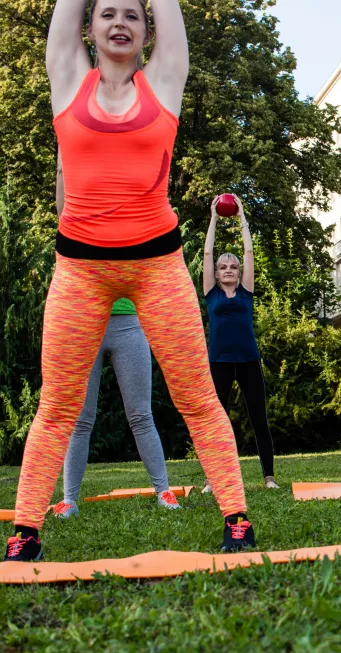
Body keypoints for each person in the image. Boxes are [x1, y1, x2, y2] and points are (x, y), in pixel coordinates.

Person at [4, 0, 255, 563]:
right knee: (59, 405)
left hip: (156, 266)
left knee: (196, 397)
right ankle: (25, 533)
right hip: (80, 270)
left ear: (147, 32)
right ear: (88, 28)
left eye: (133, 16)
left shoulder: (163, 82)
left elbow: (169, 15)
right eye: (107, 13)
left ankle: (238, 520)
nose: (120, 23)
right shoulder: (66, 76)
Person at [51, 157, 179, 518]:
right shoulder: (81, 226)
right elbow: (63, 208)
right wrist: (64, 164)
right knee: (81, 418)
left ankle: (164, 492)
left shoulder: (134, 226)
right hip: (86, 326)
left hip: (129, 326)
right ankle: (69, 500)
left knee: (141, 414)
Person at [201, 194, 279, 492]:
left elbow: (248, 251)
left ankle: (269, 477)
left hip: (248, 360)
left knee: (259, 418)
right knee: (215, 424)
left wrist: (242, 215)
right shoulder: (212, 293)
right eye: (224, 267)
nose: (230, 269)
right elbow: (207, 254)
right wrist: (214, 219)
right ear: (217, 274)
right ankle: (211, 478)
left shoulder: (246, 291)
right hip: (219, 362)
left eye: (233, 266)